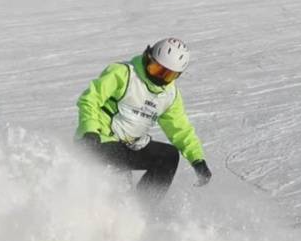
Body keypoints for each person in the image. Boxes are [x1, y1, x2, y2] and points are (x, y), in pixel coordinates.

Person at [75, 38, 211, 201]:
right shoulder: (123, 73)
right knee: (118, 188)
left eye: (167, 75)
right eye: (156, 69)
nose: (160, 78)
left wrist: (197, 159)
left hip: (128, 147)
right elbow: (90, 100)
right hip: (99, 141)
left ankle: (145, 208)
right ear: (148, 57)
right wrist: (89, 130)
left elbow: (180, 129)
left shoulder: (170, 95)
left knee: (168, 156)